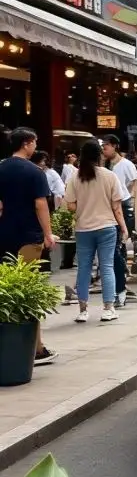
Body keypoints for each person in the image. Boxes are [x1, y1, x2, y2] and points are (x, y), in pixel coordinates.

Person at [0, 127, 56, 364]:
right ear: (27, 143)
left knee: (8, 291)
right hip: (29, 237)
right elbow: (40, 204)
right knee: (29, 291)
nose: (35, 147)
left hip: (4, 236)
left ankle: (19, 343)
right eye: (34, 142)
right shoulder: (35, 171)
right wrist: (49, 234)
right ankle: (36, 348)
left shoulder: (0, 167)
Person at [64, 140, 126, 323]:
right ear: (99, 155)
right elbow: (117, 208)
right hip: (107, 227)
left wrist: (84, 206)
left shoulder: (75, 177)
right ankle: (108, 308)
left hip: (83, 229)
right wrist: (123, 227)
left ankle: (83, 310)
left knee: (83, 268)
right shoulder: (109, 176)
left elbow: (71, 206)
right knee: (106, 267)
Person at [100, 135, 137, 307]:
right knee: (114, 248)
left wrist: (129, 199)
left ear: (115, 146)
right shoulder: (105, 165)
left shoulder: (126, 164)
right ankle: (117, 283)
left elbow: (134, 183)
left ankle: (120, 285)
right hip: (107, 206)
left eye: (106, 146)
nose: (104, 149)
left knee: (118, 246)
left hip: (123, 205)